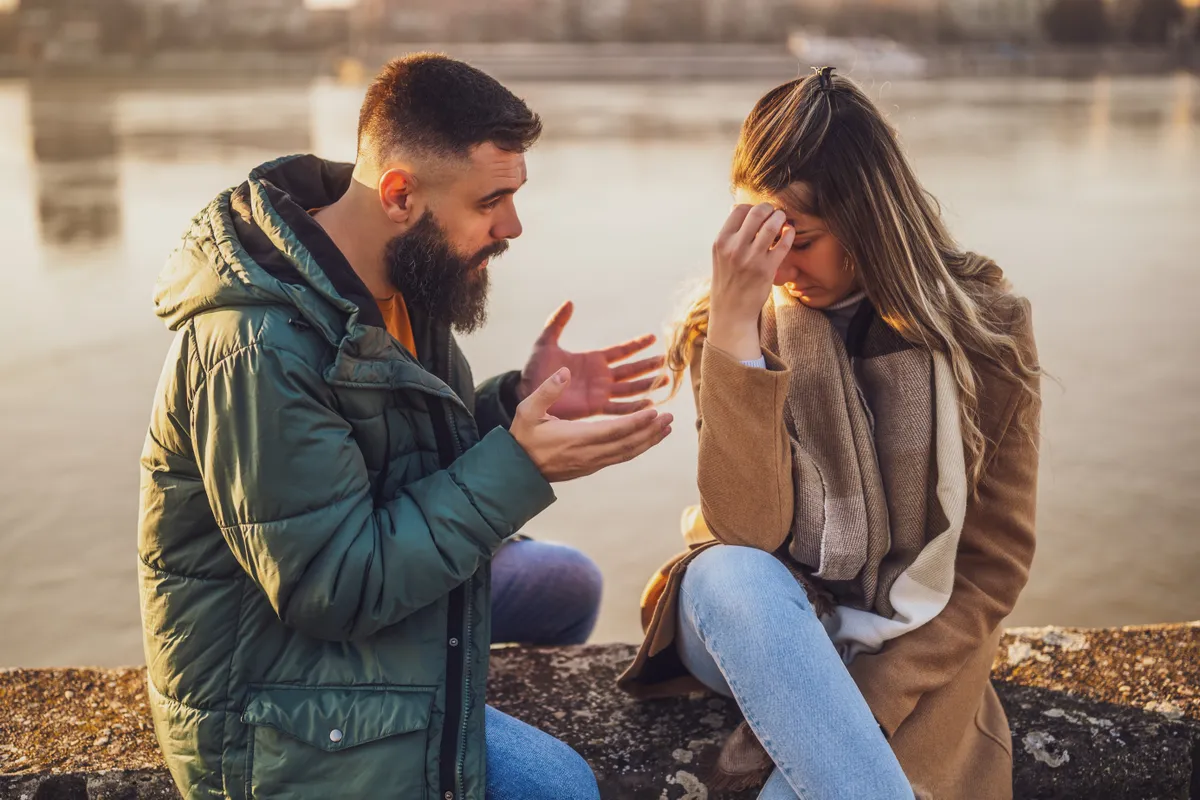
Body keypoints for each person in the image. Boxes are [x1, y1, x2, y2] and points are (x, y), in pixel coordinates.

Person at [138, 53, 673, 800]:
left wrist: (515, 402)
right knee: (562, 787)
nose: (512, 226)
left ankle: (442, 701)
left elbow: (400, 465)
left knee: (563, 583)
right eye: (492, 201)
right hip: (281, 696)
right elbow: (335, 587)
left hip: (339, 615)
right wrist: (520, 467)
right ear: (398, 194)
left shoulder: (395, 281)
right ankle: (431, 720)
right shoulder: (256, 349)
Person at [619, 67, 1041, 800]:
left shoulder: (985, 330)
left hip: (909, 637)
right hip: (755, 622)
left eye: (801, 240)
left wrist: (870, 701)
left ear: (868, 220)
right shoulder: (733, 319)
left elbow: (993, 565)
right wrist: (732, 334)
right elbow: (743, 529)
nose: (778, 267)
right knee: (729, 571)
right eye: (764, 237)